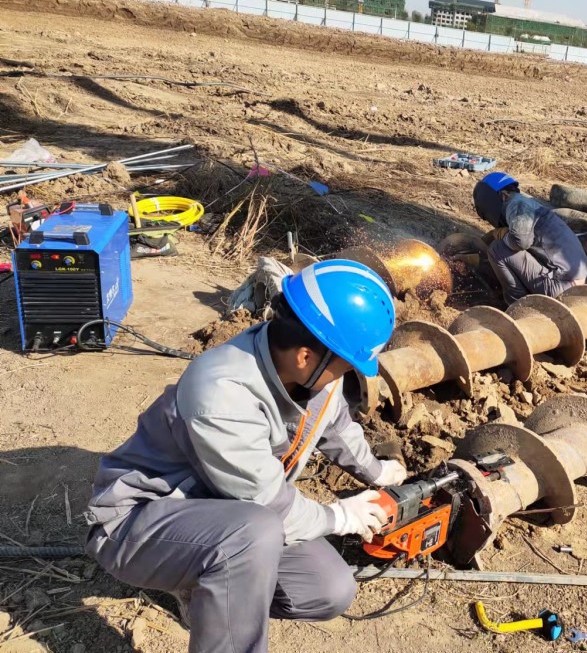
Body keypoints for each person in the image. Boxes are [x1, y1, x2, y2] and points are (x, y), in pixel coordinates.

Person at [83, 259, 405, 653]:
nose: (342, 377)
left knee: (328, 588)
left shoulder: (312, 367)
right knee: (254, 531)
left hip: (225, 512)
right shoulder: (221, 391)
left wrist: (377, 472)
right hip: (137, 522)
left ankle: (207, 589)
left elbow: (334, 423)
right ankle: (206, 580)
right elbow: (269, 503)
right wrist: (339, 517)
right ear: (306, 357)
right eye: (344, 367)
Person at [473, 171, 587, 305]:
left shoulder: (516, 205)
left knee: (497, 249)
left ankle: (517, 305)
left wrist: (503, 234)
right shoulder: (529, 204)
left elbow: (520, 242)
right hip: (574, 280)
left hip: (561, 286)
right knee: (507, 246)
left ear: (503, 195)